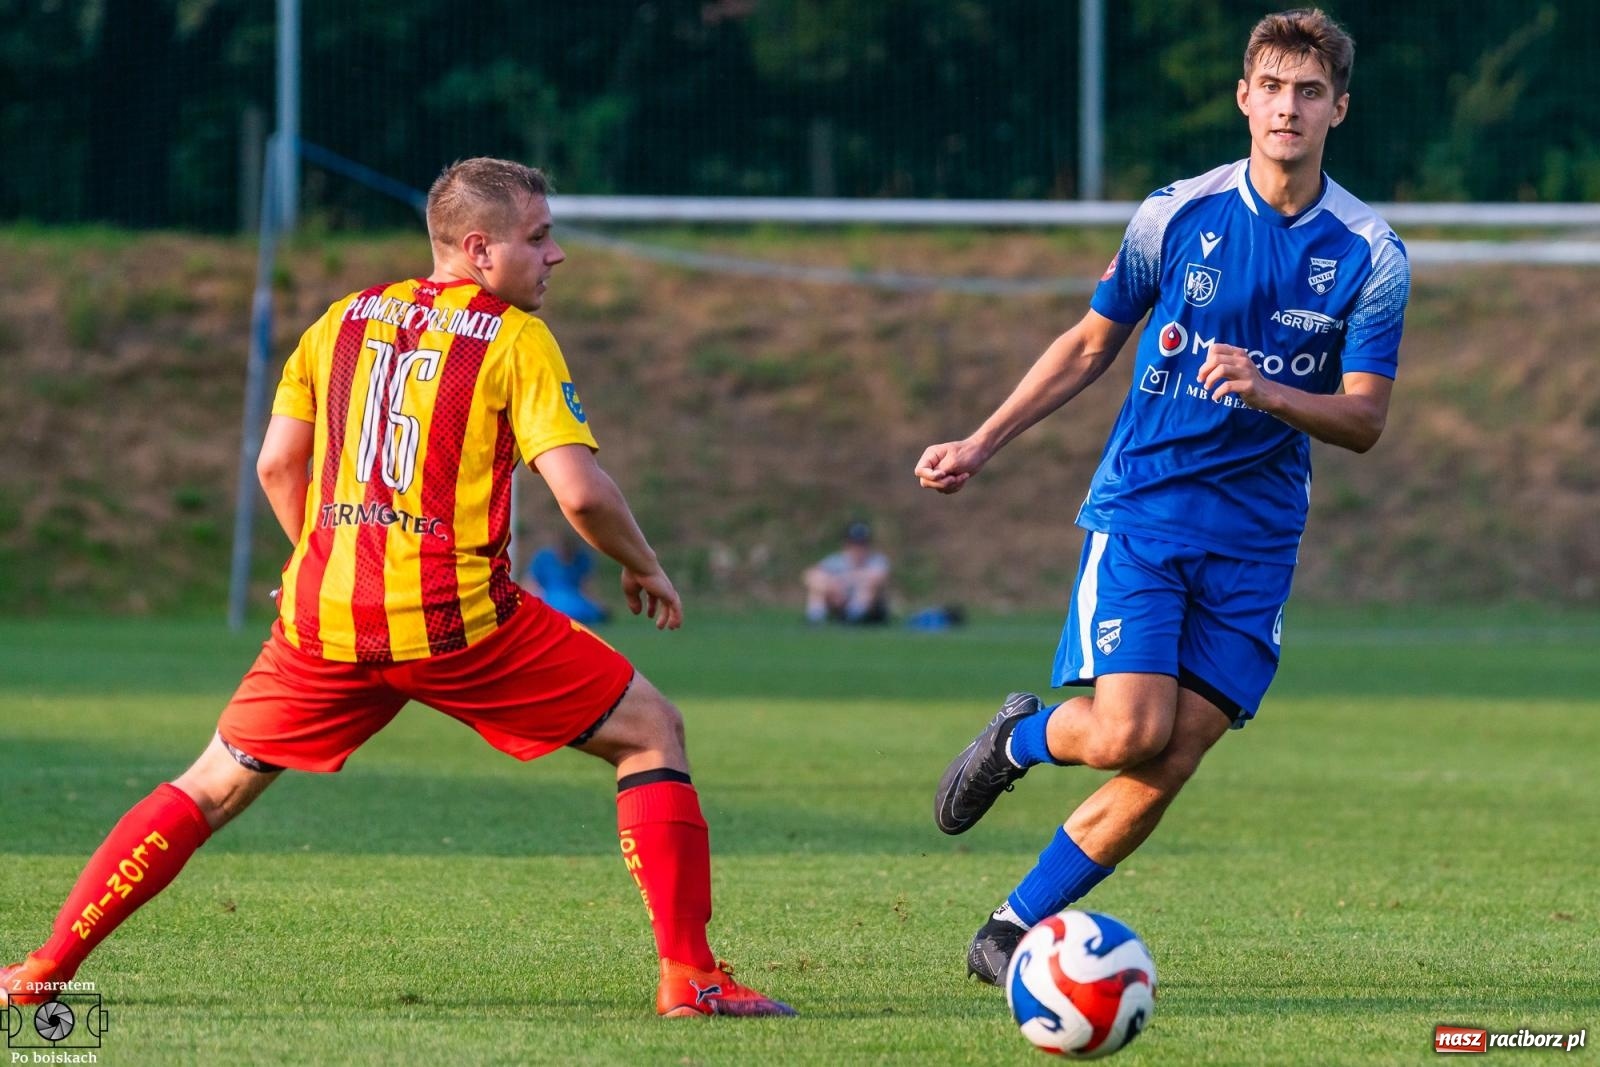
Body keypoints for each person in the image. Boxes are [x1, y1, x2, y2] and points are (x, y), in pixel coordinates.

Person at [1, 158, 793, 1019]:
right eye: (539, 236)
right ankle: (690, 975)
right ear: (481, 250)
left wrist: (323, 558)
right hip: (458, 628)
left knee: (209, 785)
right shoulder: (514, 337)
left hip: (322, 621)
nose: (556, 253)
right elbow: (581, 492)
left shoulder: (340, 318)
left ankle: (45, 964)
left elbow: (276, 463)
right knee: (650, 731)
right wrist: (644, 564)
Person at [915, 8, 1407, 985]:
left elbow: (1364, 420)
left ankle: (1012, 927)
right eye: (1271, 86)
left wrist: (1269, 390)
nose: (1287, 108)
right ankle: (1020, 735)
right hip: (1145, 511)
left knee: (1170, 756)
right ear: (1243, 97)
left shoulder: (1370, 254)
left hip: (1257, 544)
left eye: (1309, 92)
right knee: (1127, 730)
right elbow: (1089, 343)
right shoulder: (1176, 213)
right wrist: (980, 440)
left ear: (1338, 110)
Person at [803, 521, 891, 624]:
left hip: (872, 610)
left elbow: (878, 577)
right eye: (854, 543)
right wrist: (832, 586)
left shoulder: (877, 560)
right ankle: (815, 619)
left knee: (867, 586)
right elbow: (810, 576)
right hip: (841, 602)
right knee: (818, 583)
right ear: (846, 544)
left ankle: (854, 618)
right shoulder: (836, 561)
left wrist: (845, 580)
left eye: (862, 544)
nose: (858, 548)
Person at [525, 530, 608, 624]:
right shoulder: (544, 559)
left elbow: (586, 586)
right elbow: (532, 583)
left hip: (575, 599)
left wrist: (596, 603)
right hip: (551, 598)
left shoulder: (581, 559)